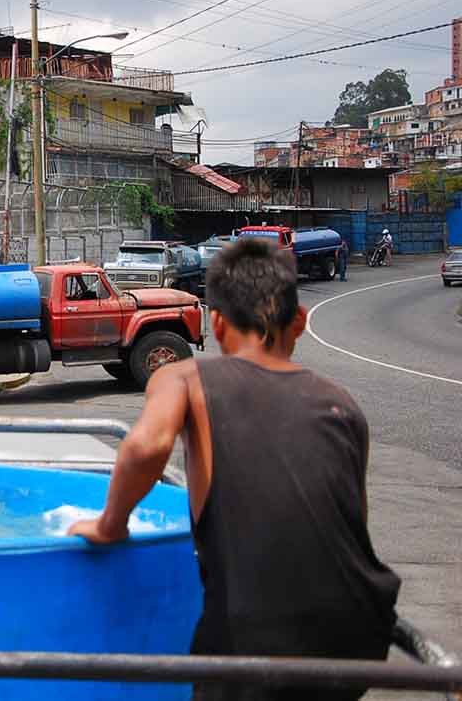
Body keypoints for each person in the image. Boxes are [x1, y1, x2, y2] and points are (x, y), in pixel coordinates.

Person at [68, 237, 399, 701]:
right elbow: (351, 523)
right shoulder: (343, 404)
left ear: (217, 324)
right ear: (300, 322)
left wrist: (110, 524)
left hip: (253, 640)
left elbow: (146, 446)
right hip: (360, 634)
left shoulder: (183, 376)